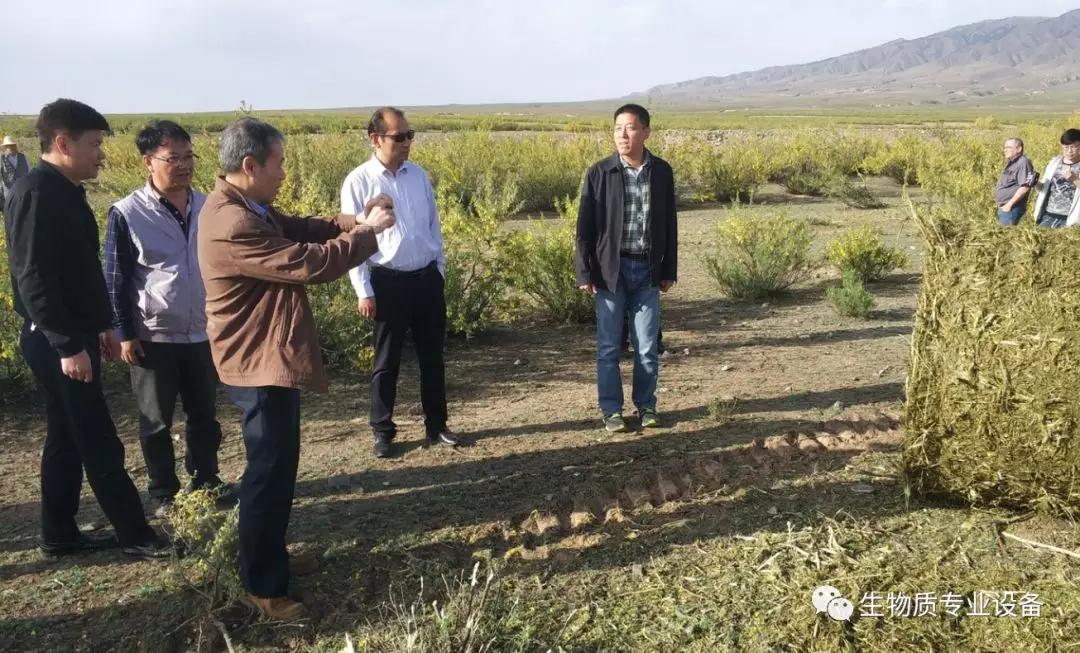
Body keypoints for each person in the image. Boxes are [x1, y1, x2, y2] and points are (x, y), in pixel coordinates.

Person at [198, 117, 393, 621]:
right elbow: (310, 262)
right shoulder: (233, 222)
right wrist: (367, 234)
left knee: (279, 468)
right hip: (256, 363)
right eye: (279, 163)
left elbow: (301, 228)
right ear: (250, 165)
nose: (284, 172)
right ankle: (263, 585)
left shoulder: (247, 207)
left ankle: (271, 556)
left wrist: (351, 221)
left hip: (265, 358)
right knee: (268, 474)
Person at [4, 98, 171, 560]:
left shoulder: (64, 190)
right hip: (55, 339)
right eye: (95, 144)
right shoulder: (36, 193)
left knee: (66, 437)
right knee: (97, 438)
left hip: (72, 335)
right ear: (63, 143)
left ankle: (58, 533)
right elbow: (33, 278)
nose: (101, 154)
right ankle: (136, 535)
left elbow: (77, 271)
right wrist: (66, 345)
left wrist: (100, 326)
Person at [104, 120, 232, 519]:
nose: (183, 165)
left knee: (204, 416)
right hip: (152, 336)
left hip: (202, 332)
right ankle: (163, 492)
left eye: (188, 156)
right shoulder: (128, 213)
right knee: (156, 421)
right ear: (148, 162)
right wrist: (125, 333)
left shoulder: (208, 206)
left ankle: (206, 481)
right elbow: (115, 279)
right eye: (172, 158)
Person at [341, 107, 460, 458]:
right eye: (399, 137)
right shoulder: (358, 181)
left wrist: (439, 270)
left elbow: (433, 225)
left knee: (432, 358)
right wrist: (363, 290)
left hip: (426, 280)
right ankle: (383, 431)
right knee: (386, 361)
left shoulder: (418, 176)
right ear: (375, 139)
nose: (407, 142)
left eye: (410, 135)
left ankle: (437, 425)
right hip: (387, 283)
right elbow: (353, 240)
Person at [576, 103, 678, 433]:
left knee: (646, 346)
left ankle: (646, 406)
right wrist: (584, 272)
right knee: (608, 347)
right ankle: (611, 411)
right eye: (618, 128)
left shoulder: (661, 172)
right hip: (610, 271)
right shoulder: (599, 172)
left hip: (647, 270)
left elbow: (670, 223)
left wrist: (669, 269)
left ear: (646, 132)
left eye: (630, 127)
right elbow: (584, 227)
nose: (623, 134)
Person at [1032, 129, 1080, 228]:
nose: (1069, 151)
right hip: (1048, 215)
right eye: (1066, 147)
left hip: (1072, 219)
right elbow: (1043, 189)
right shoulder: (1054, 162)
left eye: (1073, 147)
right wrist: (1035, 182)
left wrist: (1074, 179)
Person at [994, 138, 1036, 226]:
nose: (1005, 150)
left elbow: (1025, 186)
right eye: (1004, 147)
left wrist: (1009, 205)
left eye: (1008, 147)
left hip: (1012, 208)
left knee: (1006, 233)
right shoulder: (1012, 163)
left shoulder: (1023, 162)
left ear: (1019, 149)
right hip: (1005, 208)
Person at [0, 135, 31, 213]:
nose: (10, 148)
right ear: (5, 147)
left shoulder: (23, 157)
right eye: (8, 146)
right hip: (8, 193)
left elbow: (29, 172)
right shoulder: (1, 159)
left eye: (11, 145)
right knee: (10, 214)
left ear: (15, 146)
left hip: (22, 192)